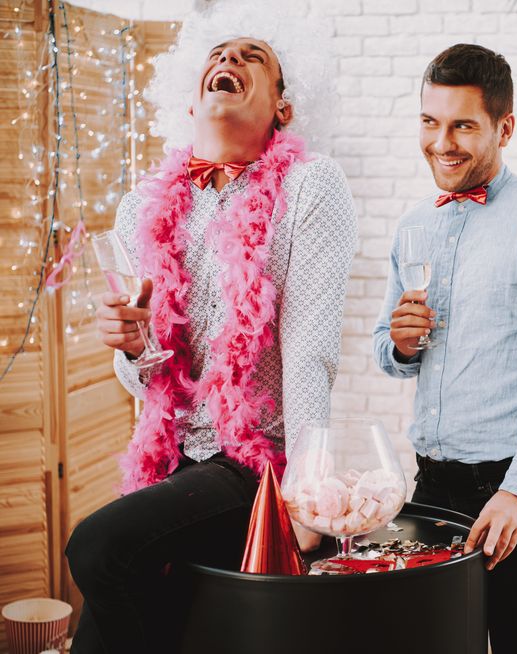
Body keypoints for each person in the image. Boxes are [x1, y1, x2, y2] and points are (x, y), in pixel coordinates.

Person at [65, 33, 356, 654]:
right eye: (218, 53)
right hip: (174, 460)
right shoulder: (141, 206)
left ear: (282, 107)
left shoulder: (311, 187)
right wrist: (131, 348)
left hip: (256, 463)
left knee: (94, 547)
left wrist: (306, 493)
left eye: (253, 57)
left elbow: (310, 352)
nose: (229, 60)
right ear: (191, 101)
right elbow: (146, 383)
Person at [372, 43, 517, 653]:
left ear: (505, 128)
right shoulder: (414, 224)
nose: (441, 142)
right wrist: (402, 344)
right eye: (430, 121)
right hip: (430, 489)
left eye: (463, 126)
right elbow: (386, 351)